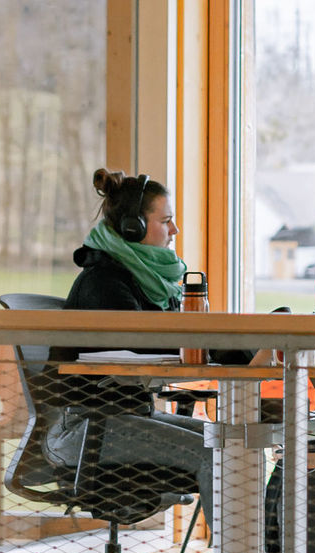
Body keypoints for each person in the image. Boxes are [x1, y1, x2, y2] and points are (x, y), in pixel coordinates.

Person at [40, 169, 247, 527]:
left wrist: (235, 348)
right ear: (132, 228)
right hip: (83, 431)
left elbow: (171, 338)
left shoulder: (144, 280)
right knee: (217, 454)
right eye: (165, 221)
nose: (174, 230)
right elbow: (147, 344)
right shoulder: (104, 283)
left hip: (124, 419)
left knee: (234, 444)